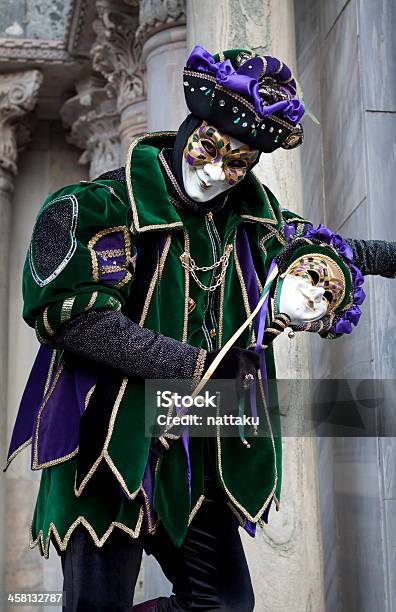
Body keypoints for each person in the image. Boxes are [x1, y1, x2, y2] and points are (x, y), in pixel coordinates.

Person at [4, 45, 396, 611]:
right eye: (209, 147)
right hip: (107, 441)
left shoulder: (250, 218)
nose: (216, 170)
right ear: (189, 128)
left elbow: (333, 250)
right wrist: (197, 367)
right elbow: (75, 321)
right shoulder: (99, 204)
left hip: (193, 443)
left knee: (226, 605)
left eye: (237, 161)